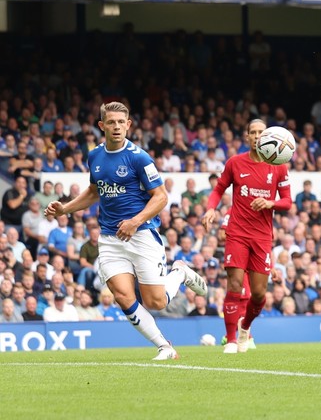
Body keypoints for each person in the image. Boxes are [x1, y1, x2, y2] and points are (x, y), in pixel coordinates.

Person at [45, 102, 208, 361]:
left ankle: (179, 272)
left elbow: (161, 197)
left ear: (129, 124)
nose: (117, 126)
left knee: (156, 302)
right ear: (102, 126)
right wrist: (65, 209)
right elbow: (94, 191)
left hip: (141, 234)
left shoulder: (139, 157)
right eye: (111, 122)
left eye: (122, 122)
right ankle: (164, 346)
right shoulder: (94, 156)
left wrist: (135, 220)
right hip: (110, 238)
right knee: (122, 296)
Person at [201, 119, 292, 354]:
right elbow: (219, 188)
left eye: (261, 132)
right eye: (253, 132)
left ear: (267, 136)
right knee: (234, 286)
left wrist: (270, 202)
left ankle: (245, 327)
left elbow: (287, 201)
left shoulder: (279, 166)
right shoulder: (235, 162)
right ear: (247, 137)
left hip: (262, 237)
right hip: (237, 233)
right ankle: (231, 340)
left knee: (260, 294)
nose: (256, 136)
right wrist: (211, 208)